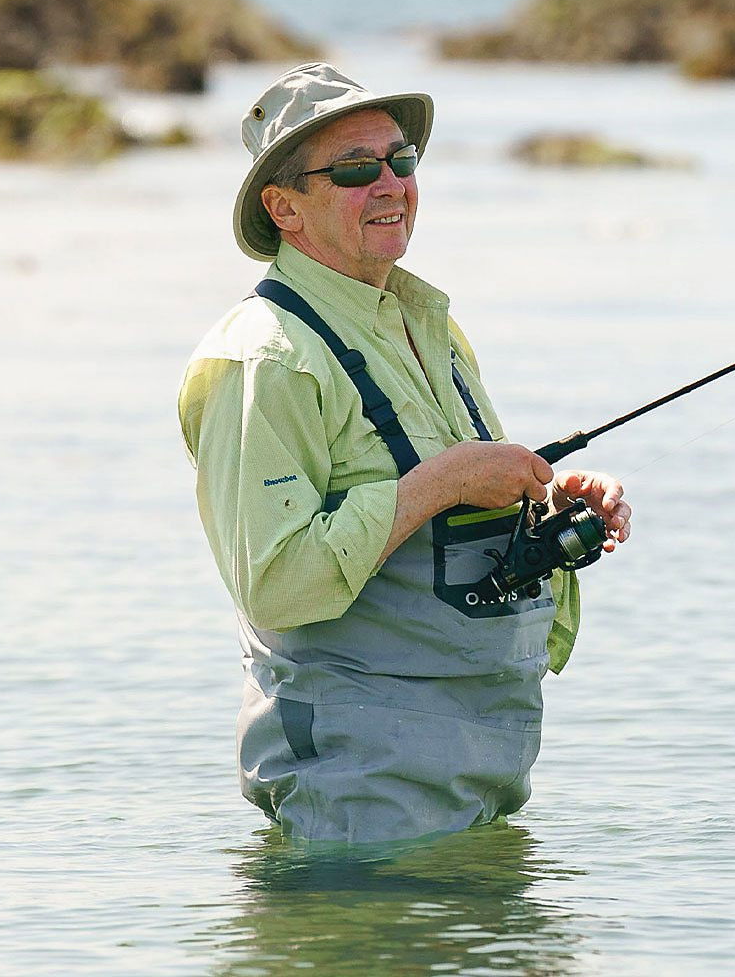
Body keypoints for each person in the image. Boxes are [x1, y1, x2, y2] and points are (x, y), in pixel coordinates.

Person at [177, 62, 633, 844]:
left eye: (402, 160)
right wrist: (450, 477)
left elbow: (443, 516)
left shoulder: (431, 324)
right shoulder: (264, 361)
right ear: (283, 207)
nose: (390, 183)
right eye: (355, 169)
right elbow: (279, 586)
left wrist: (551, 507)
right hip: (359, 798)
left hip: (486, 767)